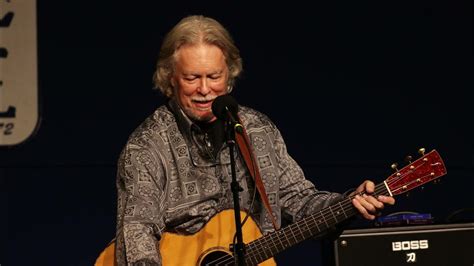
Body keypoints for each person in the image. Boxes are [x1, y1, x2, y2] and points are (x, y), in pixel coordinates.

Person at [114, 15, 395, 265]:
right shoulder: (147, 145)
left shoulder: (257, 130)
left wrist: (348, 203)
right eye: (191, 78)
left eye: (213, 76)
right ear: (170, 79)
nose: (204, 89)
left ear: (230, 75)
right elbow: (136, 233)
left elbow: (298, 202)